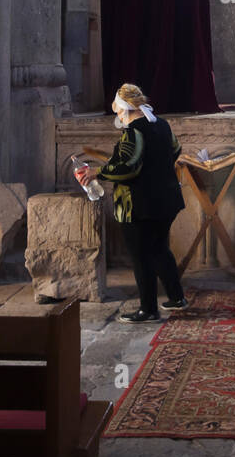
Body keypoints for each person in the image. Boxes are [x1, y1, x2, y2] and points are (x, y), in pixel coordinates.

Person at [75, 83, 188, 323]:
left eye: (117, 112)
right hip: (166, 200)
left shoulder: (133, 132)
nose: (117, 116)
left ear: (125, 109)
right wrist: (156, 169)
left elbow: (128, 167)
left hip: (140, 206)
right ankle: (177, 298)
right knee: (159, 249)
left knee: (141, 256)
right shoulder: (162, 124)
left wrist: (98, 173)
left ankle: (148, 310)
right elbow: (175, 150)